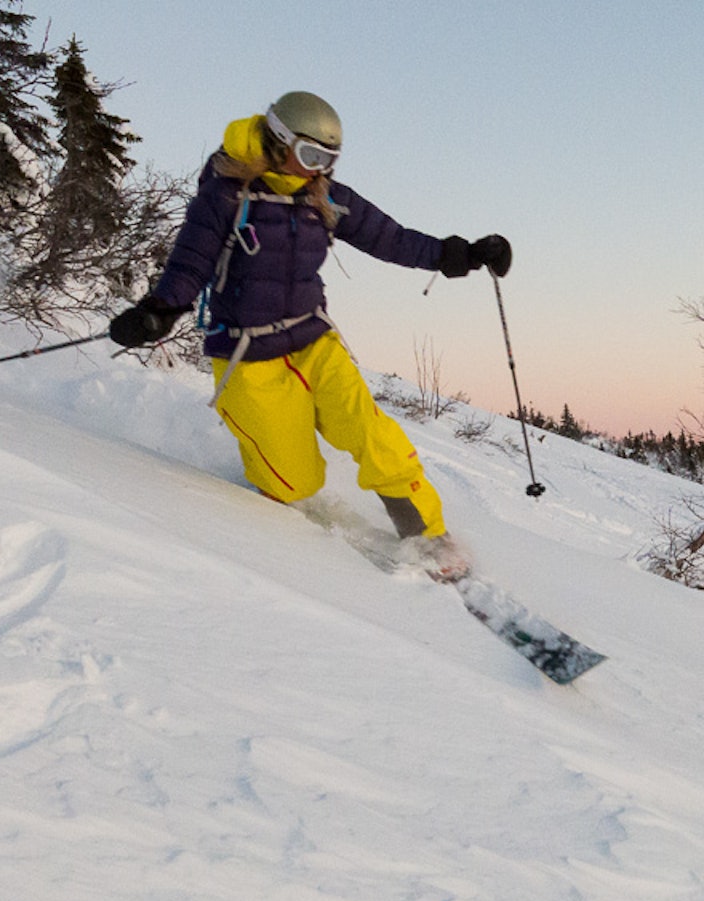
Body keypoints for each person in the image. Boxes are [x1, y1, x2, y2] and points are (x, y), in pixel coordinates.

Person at [109, 91, 510, 574]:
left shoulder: (324, 196)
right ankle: (272, 478)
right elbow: (190, 262)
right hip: (247, 356)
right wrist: (158, 311)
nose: (317, 170)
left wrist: (461, 254)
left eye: (328, 161)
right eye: (310, 156)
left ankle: (427, 538)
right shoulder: (225, 195)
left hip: (313, 340)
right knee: (294, 483)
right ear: (280, 142)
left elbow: (392, 238)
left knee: (372, 433)